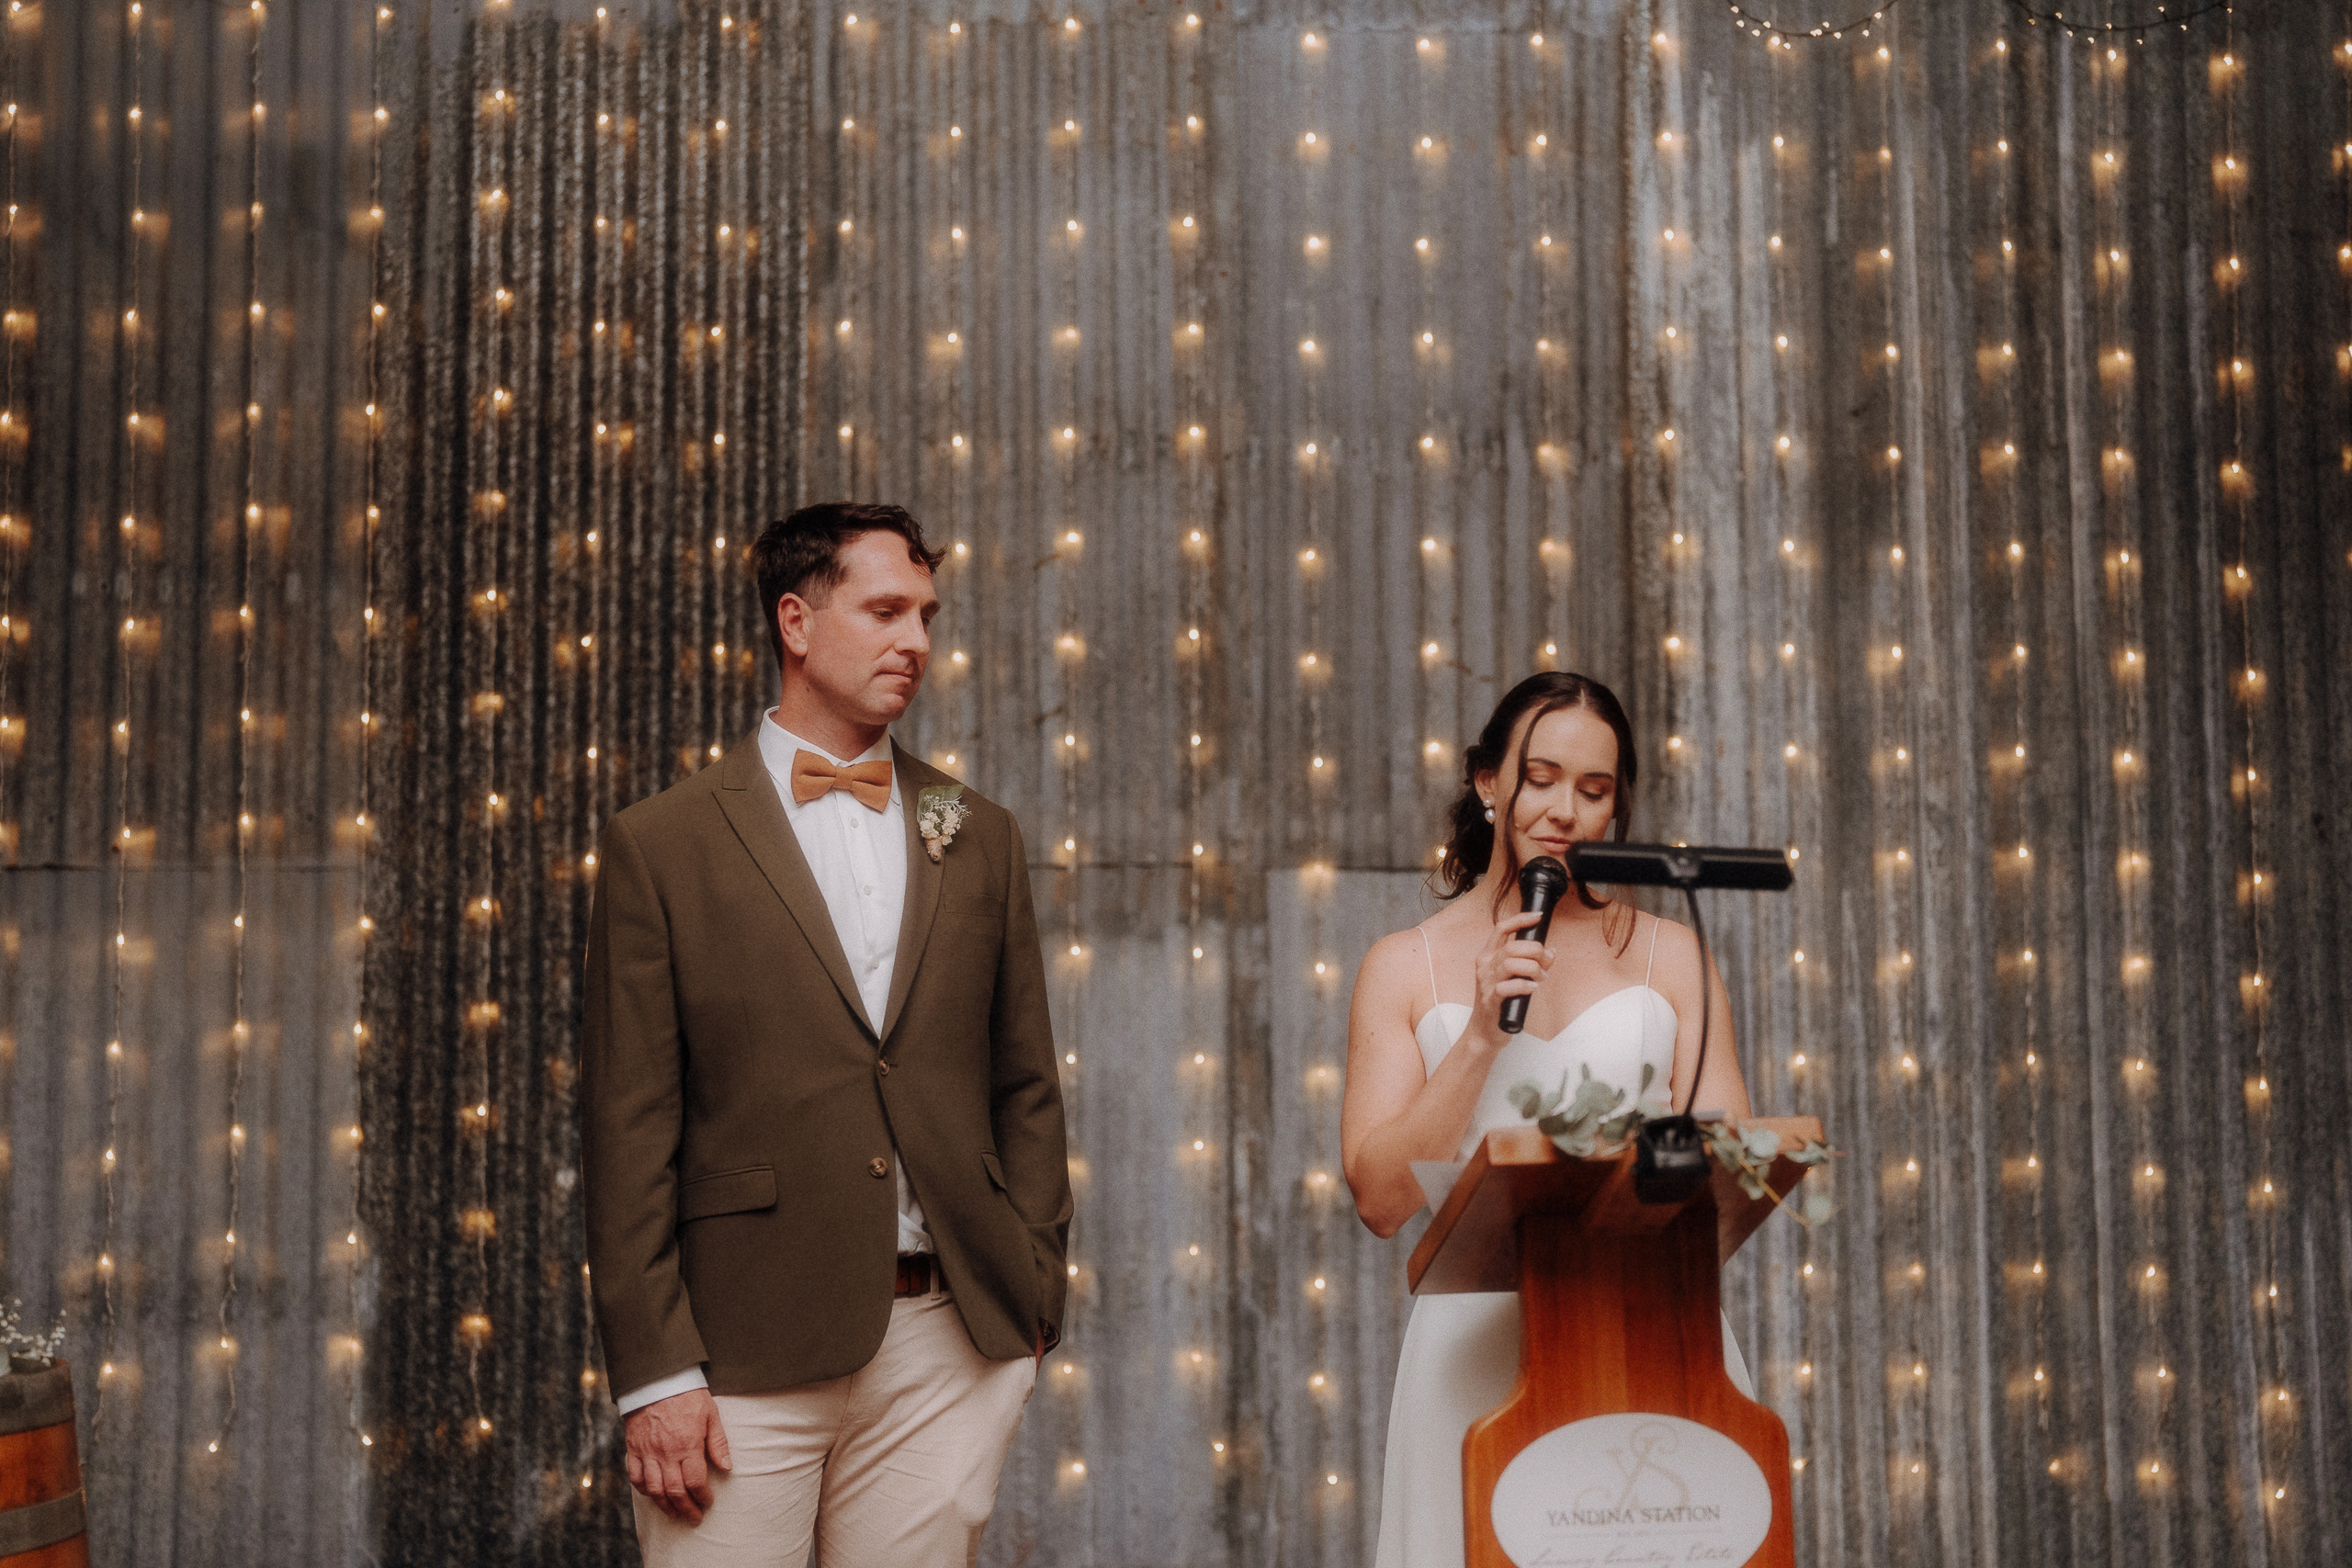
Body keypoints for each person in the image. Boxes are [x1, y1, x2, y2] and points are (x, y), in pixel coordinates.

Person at [581, 502, 1071, 1566]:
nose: (919, 643)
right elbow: (627, 1132)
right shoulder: (659, 846)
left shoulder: (978, 833)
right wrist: (657, 1375)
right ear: (795, 622)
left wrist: (1034, 1292)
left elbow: (1024, 1083)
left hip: (946, 1344)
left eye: (928, 615)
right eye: (887, 611)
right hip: (736, 1354)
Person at [1340, 671, 1756, 1568]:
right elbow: (1377, 1197)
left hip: (1649, 1332)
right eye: (1541, 777)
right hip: (1473, 1367)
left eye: (1594, 789)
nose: (1566, 808)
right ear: (1487, 782)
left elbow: (1737, 1172)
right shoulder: (1402, 967)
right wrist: (1482, 1036)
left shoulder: (1673, 955)